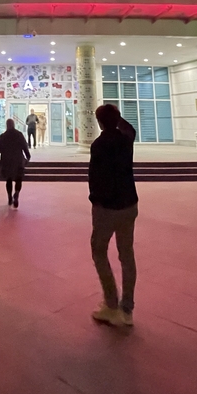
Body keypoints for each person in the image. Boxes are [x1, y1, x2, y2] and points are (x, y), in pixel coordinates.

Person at [88, 103, 138, 327]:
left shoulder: (99, 145)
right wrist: (116, 117)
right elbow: (129, 128)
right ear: (117, 120)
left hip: (106, 208)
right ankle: (127, 309)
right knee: (126, 254)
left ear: (99, 122)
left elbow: (95, 177)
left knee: (99, 251)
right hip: (129, 204)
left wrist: (95, 201)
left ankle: (110, 303)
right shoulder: (126, 140)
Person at [0, 118, 30, 208]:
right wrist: (28, 157)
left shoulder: (3, 136)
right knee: (19, 178)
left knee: (8, 179)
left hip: (6, 160)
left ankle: (9, 196)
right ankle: (16, 193)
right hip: (18, 160)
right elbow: (24, 146)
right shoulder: (19, 135)